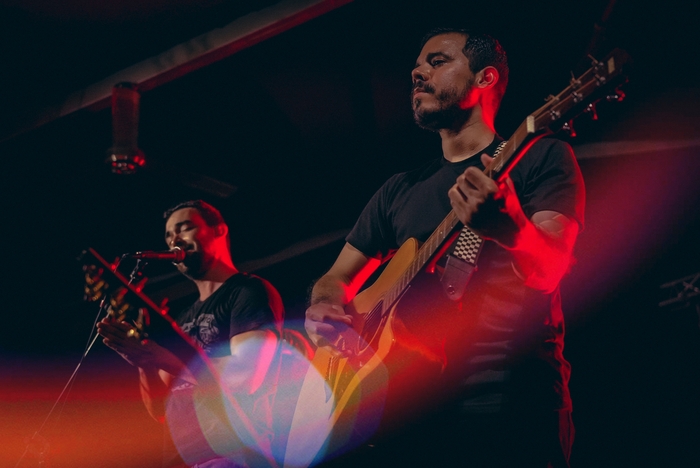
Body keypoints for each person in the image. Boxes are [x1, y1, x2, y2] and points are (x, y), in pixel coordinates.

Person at [304, 28, 585, 467]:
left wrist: (509, 229)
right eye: (417, 65)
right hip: (410, 412)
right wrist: (324, 306)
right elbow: (335, 278)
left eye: (437, 61)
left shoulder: (540, 156)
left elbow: (550, 269)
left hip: (507, 403)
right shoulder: (400, 189)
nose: (417, 72)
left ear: (485, 79)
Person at [97, 200, 286, 467]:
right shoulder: (181, 319)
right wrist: (145, 364)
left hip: (234, 455)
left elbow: (246, 377)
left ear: (219, 230)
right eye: (168, 235)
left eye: (184, 228)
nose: (174, 238)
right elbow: (161, 410)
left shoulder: (247, 292)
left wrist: (164, 358)